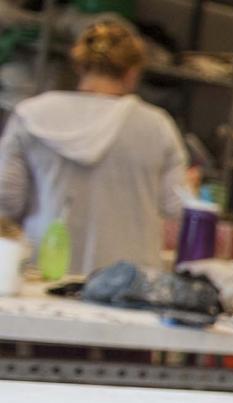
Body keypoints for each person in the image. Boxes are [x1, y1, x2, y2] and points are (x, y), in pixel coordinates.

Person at [0, 19, 193, 278]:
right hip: (129, 284)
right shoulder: (157, 127)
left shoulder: (32, 115)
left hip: (44, 274)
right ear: (132, 72)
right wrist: (192, 189)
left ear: (79, 65)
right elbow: (178, 209)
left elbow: (7, 201)